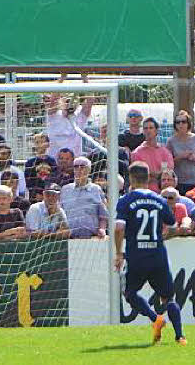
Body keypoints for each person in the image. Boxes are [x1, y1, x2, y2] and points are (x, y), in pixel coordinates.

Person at [114, 161, 186, 346]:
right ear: (149, 178)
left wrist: (118, 253)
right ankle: (180, 337)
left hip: (137, 255)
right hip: (157, 255)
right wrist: (160, 238)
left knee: (130, 293)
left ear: (131, 179)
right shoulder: (159, 200)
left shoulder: (126, 201)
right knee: (168, 298)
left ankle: (155, 319)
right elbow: (171, 224)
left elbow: (119, 228)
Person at [59, 157, 107, 239]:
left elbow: (103, 216)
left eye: (82, 166)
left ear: (89, 170)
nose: (79, 169)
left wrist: (102, 229)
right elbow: (59, 214)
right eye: (76, 167)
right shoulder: (65, 189)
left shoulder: (96, 189)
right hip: (68, 238)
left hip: (91, 238)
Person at [166, 110, 195, 194]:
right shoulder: (171, 141)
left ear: (188, 123)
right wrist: (181, 157)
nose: (181, 124)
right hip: (178, 181)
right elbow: (168, 163)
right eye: (178, 122)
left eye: (183, 122)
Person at [130, 117, 174, 191]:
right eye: (146, 128)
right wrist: (157, 174)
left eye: (151, 128)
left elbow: (167, 174)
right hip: (144, 192)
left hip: (163, 193)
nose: (148, 131)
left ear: (156, 130)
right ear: (143, 131)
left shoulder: (165, 152)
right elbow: (139, 176)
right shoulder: (137, 153)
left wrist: (150, 174)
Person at [45, 94, 94, 158]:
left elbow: (90, 100)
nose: (70, 103)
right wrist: (61, 84)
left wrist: (85, 83)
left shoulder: (81, 116)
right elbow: (54, 97)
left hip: (74, 161)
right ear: (61, 101)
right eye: (67, 101)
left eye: (73, 101)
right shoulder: (53, 115)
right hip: (55, 160)